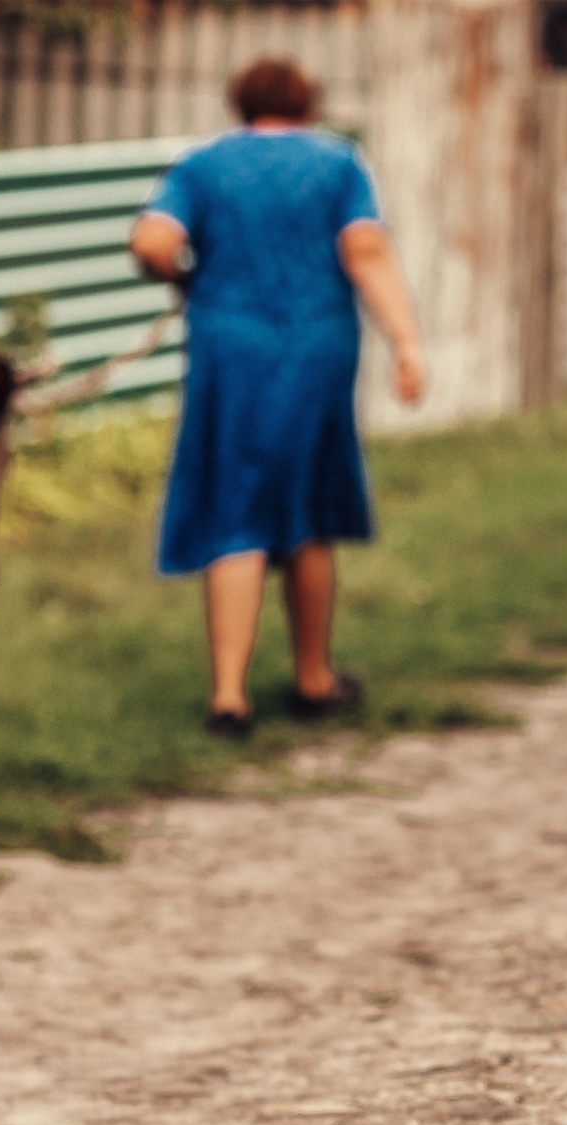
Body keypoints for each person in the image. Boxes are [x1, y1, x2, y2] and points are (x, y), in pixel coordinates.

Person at [127, 57, 426, 737]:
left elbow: (152, 240)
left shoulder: (203, 167)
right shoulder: (339, 164)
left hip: (230, 351)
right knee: (308, 506)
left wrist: (179, 272)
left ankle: (229, 695)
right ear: (307, 103)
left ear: (239, 103)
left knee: (235, 508)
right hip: (315, 349)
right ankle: (314, 677)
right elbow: (366, 251)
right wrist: (407, 343)